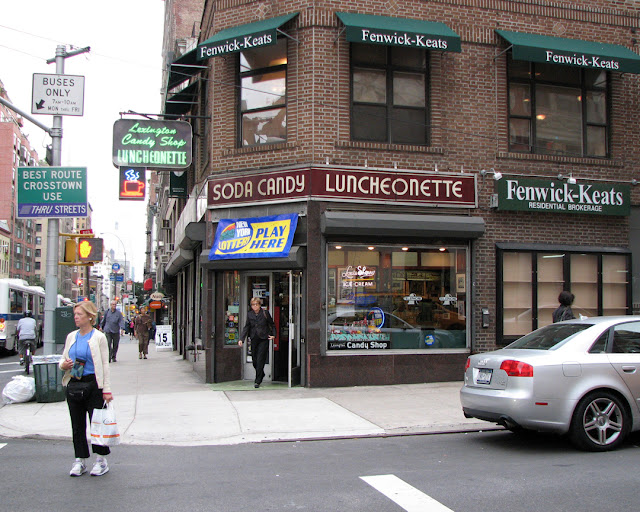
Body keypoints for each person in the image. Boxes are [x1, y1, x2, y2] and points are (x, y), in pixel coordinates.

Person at [59, 301, 113, 477]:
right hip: (75, 381)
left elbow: (105, 364)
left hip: (93, 384)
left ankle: (101, 460)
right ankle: (80, 460)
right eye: (75, 314)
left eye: (79, 315)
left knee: (96, 424)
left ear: (90, 317)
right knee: (77, 425)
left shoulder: (99, 337)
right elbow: (63, 360)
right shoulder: (71, 337)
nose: (76, 317)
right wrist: (64, 365)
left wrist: (106, 389)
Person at [238, 297, 276, 388]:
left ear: (259, 305)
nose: (255, 306)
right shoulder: (249, 314)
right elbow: (246, 327)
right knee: (254, 360)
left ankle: (257, 380)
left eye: (256, 304)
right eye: (253, 304)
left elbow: (272, 324)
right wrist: (241, 339)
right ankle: (261, 373)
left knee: (260, 359)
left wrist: (274, 335)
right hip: (254, 338)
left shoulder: (265, 313)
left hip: (263, 338)